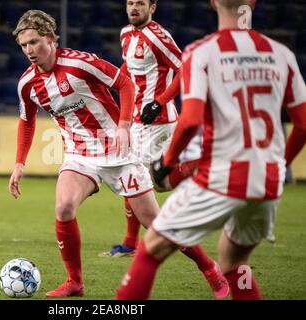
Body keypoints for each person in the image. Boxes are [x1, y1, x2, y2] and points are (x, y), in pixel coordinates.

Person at [116, 0, 306, 300]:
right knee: (234, 261)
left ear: (213, 3)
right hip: (267, 181)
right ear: (252, 4)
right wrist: (280, 167)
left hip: (222, 175)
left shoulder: (202, 52)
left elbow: (190, 119)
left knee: (151, 249)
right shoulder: (282, 55)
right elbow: (303, 126)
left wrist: (167, 163)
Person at [8, 9, 161, 298]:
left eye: (35, 42)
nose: (29, 50)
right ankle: (74, 282)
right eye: (24, 45)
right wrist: (19, 163)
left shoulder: (81, 63)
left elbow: (124, 84)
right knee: (63, 207)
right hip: (80, 156)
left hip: (119, 152)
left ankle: (210, 270)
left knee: (156, 225)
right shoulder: (27, 84)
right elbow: (26, 121)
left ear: (52, 39)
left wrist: (125, 125)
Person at [100, 0, 229, 299]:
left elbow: (186, 68)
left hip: (157, 122)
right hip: (135, 120)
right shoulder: (125, 33)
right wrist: (117, 83)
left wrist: (160, 99)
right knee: (140, 182)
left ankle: (204, 167)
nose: (134, 8)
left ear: (152, 7)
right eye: (130, 2)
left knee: (143, 182)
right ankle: (132, 242)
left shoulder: (159, 36)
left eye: (140, 3)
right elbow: (129, 68)